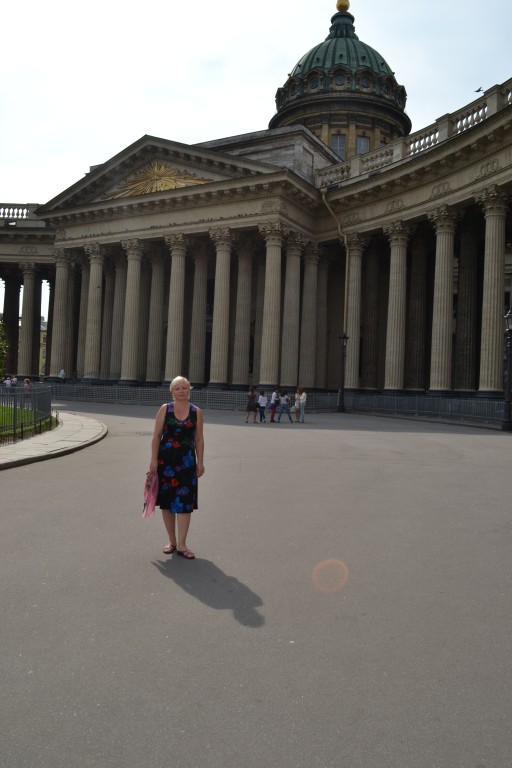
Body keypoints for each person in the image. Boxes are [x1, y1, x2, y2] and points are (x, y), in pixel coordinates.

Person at [149, 376, 205, 560]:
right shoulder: (165, 409)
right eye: (177, 388)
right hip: (166, 462)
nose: (181, 391)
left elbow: (199, 439)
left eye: (184, 387)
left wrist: (200, 462)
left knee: (185, 503)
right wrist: (153, 460)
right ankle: (171, 541)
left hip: (187, 463)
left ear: (189, 390)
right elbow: (156, 436)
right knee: (167, 502)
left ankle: (182, 544)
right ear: (172, 391)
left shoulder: (196, 412)